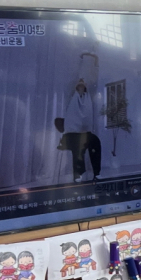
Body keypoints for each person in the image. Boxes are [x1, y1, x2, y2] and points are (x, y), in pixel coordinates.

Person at [59, 52, 101, 184]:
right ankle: (78, 174)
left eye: (83, 84)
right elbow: (78, 75)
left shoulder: (88, 97)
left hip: (85, 132)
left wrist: (95, 61)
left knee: (95, 142)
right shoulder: (72, 95)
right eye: (80, 84)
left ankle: (97, 173)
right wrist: (82, 61)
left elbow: (94, 78)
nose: (82, 86)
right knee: (78, 148)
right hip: (72, 133)